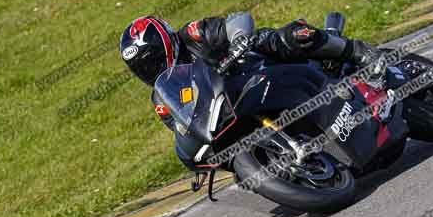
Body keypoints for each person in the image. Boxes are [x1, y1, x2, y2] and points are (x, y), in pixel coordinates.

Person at [119, 12, 377, 132]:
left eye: (151, 61)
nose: (149, 70)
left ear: (167, 44)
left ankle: (358, 52)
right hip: (237, 110)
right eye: (141, 68)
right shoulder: (162, 98)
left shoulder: (192, 36)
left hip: (257, 66)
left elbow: (237, 19)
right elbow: (183, 130)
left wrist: (239, 39)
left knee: (293, 37)